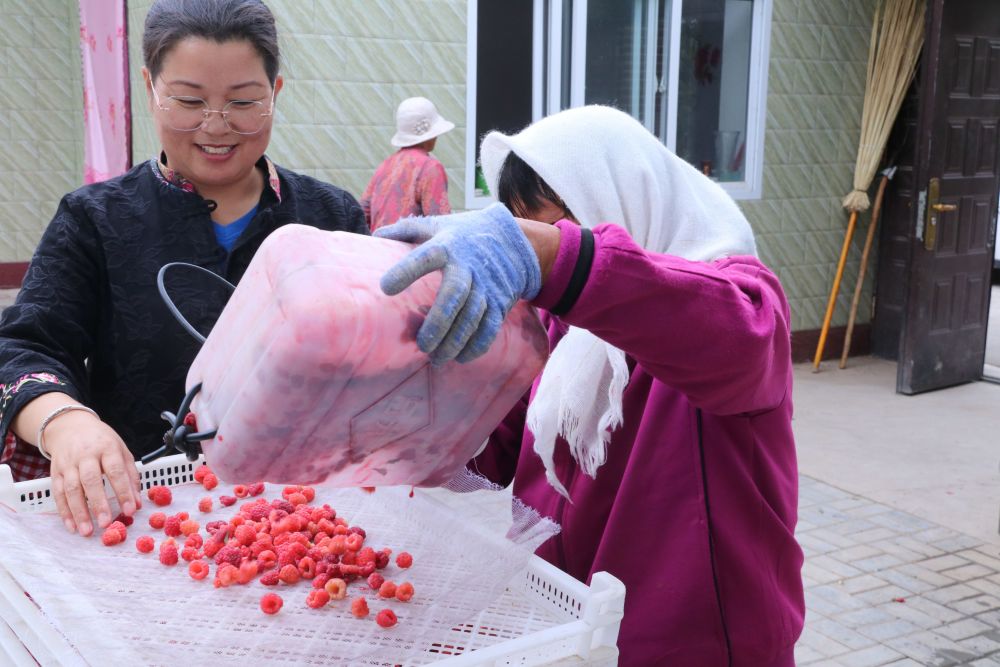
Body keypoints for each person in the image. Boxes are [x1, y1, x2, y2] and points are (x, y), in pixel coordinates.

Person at [375, 106, 803, 666]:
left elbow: (731, 340)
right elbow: (492, 449)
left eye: (548, 227)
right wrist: (398, 410)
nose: (538, 248)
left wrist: (557, 260)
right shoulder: (560, 328)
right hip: (573, 628)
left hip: (694, 643)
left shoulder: (740, 305)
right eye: (522, 228)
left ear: (626, 198)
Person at [0, 0, 367, 538]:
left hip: (307, 515)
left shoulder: (332, 218)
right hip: (141, 515)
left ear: (276, 93)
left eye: (243, 102)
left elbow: (379, 356)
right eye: (189, 100)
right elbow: (24, 349)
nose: (216, 126)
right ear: (150, 88)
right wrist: (66, 422)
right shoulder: (95, 219)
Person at [360, 96, 454, 231]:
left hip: (379, 249)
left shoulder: (385, 166)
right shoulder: (431, 168)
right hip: (411, 251)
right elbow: (439, 226)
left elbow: (361, 214)